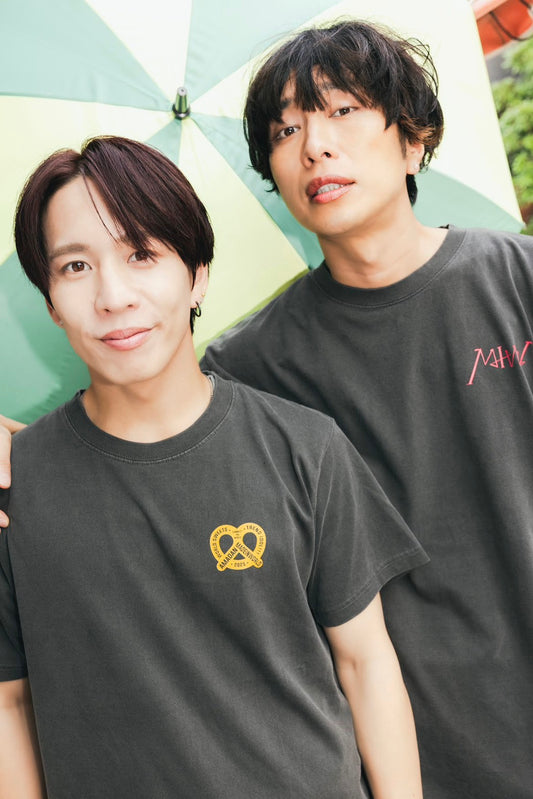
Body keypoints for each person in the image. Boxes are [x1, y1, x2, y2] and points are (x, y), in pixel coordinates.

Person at [0, 135, 427, 799]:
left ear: (197, 273)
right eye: (75, 266)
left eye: (142, 254)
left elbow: (365, 661)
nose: (113, 295)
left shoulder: (304, 448)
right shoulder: (15, 488)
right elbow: (9, 701)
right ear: (50, 300)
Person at [199, 20, 533, 799]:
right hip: (423, 752)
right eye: (285, 131)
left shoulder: (517, 278)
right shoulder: (251, 365)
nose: (314, 145)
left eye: (342, 110)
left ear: (414, 140)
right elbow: (136, 450)